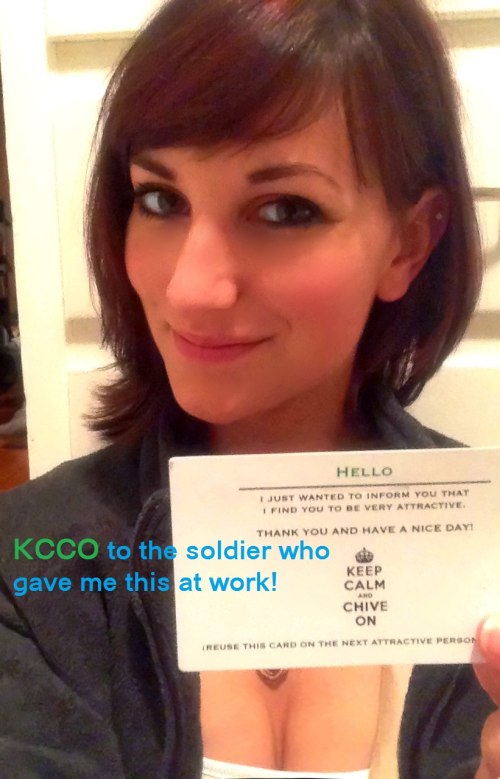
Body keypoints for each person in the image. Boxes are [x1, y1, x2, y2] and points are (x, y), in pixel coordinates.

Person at [0, 0, 499, 776]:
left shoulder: (489, 559)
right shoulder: (31, 563)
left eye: (284, 209)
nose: (191, 289)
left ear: (408, 244)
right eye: (160, 199)